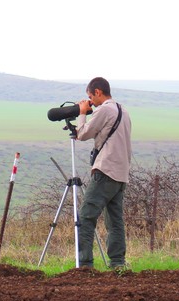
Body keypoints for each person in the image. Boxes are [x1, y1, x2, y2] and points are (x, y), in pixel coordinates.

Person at [76, 77, 132, 269]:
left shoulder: (105, 109)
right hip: (121, 172)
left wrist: (83, 113)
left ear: (98, 92)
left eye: (90, 96)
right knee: (115, 221)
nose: (91, 100)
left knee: (86, 217)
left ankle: (84, 265)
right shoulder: (123, 110)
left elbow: (82, 134)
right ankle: (117, 264)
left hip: (106, 170)